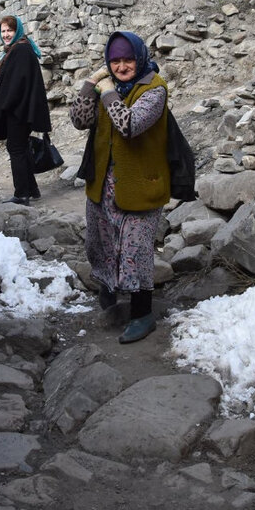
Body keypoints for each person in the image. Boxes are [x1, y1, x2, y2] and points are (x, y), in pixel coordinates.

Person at [70, 31, 169, 344]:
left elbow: (129, 125)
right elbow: (79, 120)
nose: (122, 66)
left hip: (140, 183)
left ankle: (142, 313)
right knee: (101, 242)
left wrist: (108, 91)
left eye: (128, 59)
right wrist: (90, 83)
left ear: (139, 58)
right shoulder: (103, 85)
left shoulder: (154, 89)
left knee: (135, 250)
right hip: (103, 182)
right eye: (115, 60)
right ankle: (108, 292)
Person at [0, 15, 52, 205]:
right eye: (3, 31)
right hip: (21, 110)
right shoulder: (18, 48)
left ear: (18, 31)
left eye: (10, 30)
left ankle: (22, 194)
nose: (6, 35)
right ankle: (32, 189)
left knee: (15, 148)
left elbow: (16, 84)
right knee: (20, 148)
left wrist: (4, 105)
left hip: (18, 111)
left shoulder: (20, 50)